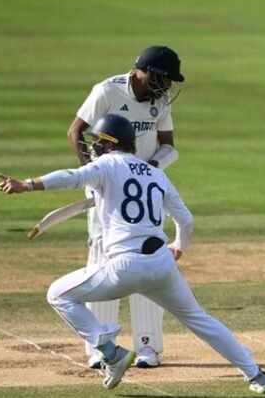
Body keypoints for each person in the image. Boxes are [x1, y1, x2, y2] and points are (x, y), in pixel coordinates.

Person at [0, 113, 265, 393]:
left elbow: (72, 177)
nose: (93, 147)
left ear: (110, 144)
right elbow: (185, 220)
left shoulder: (107, 164)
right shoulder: (156, 173)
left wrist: (25, 185)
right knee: (199, 319)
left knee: (58, 294)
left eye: (97, 142)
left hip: (123, 267)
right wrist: (179, 247)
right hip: (161, 263)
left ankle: (110, 351)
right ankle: (256, 375)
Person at [66, 45, 183, 369]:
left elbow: (168, 146)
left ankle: (148, 347)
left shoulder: (158, 101)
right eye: (165, 78)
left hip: (142, 193)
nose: (168, 87)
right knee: (102, 258)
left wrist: (151, 171)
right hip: (107, 191)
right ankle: (99, 346)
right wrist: (95, 175)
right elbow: (75, 131)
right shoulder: (106, 91)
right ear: (147, 72)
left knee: (147, 259)